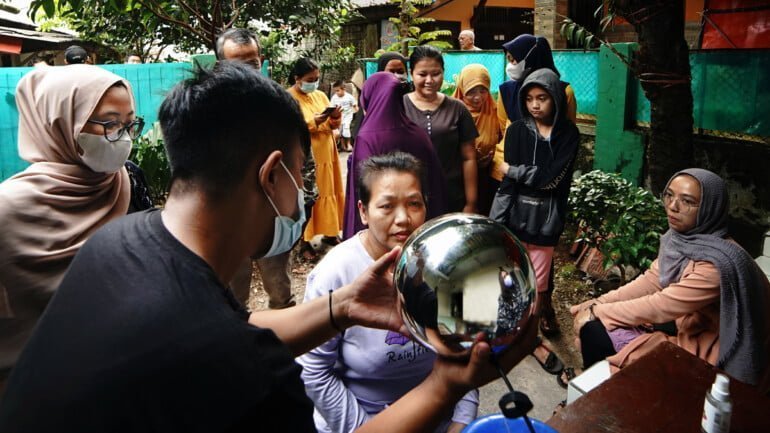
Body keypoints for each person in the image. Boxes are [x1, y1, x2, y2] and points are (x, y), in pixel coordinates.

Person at [0, 61, 538, 433]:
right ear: (272, 174)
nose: (304, 192)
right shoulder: (249, 378)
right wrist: (447, 385)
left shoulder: (125, 237)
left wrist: (342, 307)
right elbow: (228, 346)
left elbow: (235, 329)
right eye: (303, 174)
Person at [300, 152, 478, 433]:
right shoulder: (335, 274)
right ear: (363, 211)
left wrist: (461, 420)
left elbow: (467, 346)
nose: (403, 219)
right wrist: (368, 428)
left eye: (414, 204)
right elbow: (313, 370)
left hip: (439, 417)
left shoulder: (445, 264)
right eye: (386, 206)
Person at [0, 65, 142, 390]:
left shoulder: (127, 182)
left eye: (129, 124)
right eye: (109, 123)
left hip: (119, 374)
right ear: (60, 122)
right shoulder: (7, 208)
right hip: (30, 389)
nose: (123, 138)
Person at [569, 169, 770, 392]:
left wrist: (597, 312)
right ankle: (595, 387)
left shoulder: (717, 264)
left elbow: (662, 305)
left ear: (710, 208)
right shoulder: (684, 240)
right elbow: (651, 281)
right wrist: (597, 302)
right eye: (669, 195)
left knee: (594, 332)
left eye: (687, 201)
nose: (673, 206)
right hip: (687, 323)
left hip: (716, 350)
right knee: (595, 328)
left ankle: (601, 396)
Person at [492, 68, 579, 382]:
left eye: (542, 97)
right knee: (508, 276)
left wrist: (512, 170)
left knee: (539, 286)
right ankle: (507, 331)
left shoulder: (568, 134)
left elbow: (551, 181)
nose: (535, 105)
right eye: (529, 98)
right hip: (514, 216)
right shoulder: (517, 130)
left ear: (555, 97)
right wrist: (496, 221)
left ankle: (531, 338)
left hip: (546, 222)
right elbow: (510, 185)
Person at [215, 27, 296, 309]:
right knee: (233, 301)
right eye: (238, 64)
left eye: (253, 63)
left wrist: (302, 201)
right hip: (228, 218)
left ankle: (283, 337)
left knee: (281, 294)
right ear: (221, 65)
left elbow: (298, 155)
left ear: (261, 60)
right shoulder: (207, 107)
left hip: (272, 215)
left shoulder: (279, 102)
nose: (247, 71)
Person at [342, 72, 447, 240]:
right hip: (418, 224)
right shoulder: (418, 134)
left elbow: (361, 189)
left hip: (381, 231)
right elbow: (435, 184)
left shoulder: (367, 137)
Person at [403, 45, 479, 213]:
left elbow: (469, 157)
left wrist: (471, 203)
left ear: (443, 73)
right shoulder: (399, 107)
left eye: (436, 74)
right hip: (409, 198)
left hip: (451, 196)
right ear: (411, 73)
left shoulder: (458, 109)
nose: (429, 80)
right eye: (422, 74)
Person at [288, 58, 346, 247]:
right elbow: (292, 127)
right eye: (310, 79)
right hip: (308, 156)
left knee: (329, 191)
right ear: (297, 78)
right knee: (309, 195)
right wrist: (315, 122)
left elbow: (332, 124)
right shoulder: (288, 98)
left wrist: (335, 117)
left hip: (328, 152)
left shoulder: (320, 95)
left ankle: (330, 232)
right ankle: (304, 241)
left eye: (316, 79)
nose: (314, 83)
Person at [452, 64, 502, 215]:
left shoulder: (495, 111)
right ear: (462, 90)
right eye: (471, 91)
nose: (478, 97)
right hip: (458, 178)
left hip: (487, 177)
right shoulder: (451, 112)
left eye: (483, 90)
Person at [331, 80, 358, 152]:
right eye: (335, 91)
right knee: (340, 129)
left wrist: (357, 112)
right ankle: (342, 145)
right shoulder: (334, 98)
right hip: (339, 116)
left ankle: (348, 144)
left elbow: (355, 105)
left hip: (348, 115)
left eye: (338, 91)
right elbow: (332, 107)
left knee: (346, 127)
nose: (336, 92)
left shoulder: (349, 97)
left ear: (344, 89)